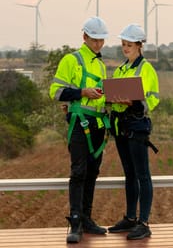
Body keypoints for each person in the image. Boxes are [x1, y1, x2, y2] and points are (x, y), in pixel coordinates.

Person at [49, 17, 110, 244]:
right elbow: (55, 92)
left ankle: (86, 218)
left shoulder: (101, 64)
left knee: (93, 172)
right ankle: (75, 222)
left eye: (101, 40)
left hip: (98, 124)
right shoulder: (70, 60)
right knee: (78, 172)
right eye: (94, 40)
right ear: (84, 37)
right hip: (79, 123)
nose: (98, 44)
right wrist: (82, 92)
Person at [108, 23, 159, 240]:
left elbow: (153, 100)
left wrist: (134, 103)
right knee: (129, 174)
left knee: (142, 175)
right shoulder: (120, 69)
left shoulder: (146, 69)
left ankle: (144, 222)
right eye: (123, 44)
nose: (125, 48)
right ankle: (130, 218)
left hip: (137, 127)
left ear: (139, 45)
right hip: (121, 127)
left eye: (129, 44)